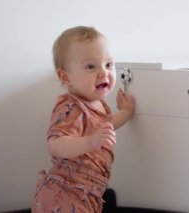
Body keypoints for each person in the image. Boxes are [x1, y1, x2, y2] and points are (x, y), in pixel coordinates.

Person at [32, 26, 135, 212]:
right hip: (66, 194)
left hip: (89, 192)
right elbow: (55, 143)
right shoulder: (71, 107)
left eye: (109, 65)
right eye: (90, 66)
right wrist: (90, 142)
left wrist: (126, 113)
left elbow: (107, 125)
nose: (104, 73)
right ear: (65, 77)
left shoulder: (99, 104)